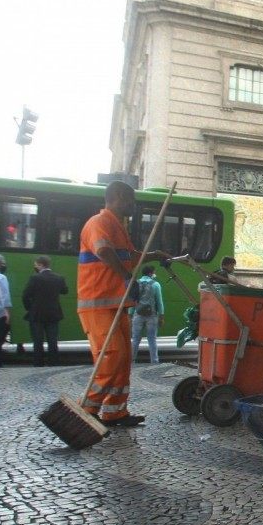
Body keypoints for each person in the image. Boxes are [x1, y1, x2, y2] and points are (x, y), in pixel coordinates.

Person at [77, 181, 169, 427]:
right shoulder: (99, 223)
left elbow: (131, 256)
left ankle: (115, 411)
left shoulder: (118, 227)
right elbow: (104, 251)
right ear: (117, 197)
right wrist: (126, 276)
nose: (133, 205)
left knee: (123, 358)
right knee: (112, 355)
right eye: (131, 199)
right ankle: (87, 408)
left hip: (116, 304)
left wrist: (154, 255)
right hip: (97, 304)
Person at [22, 255, 68, 366]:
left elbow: (25, 295)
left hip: (37, 313)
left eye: (36, 264)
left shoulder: (35, 278)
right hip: (53, 313)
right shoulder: (59, 278)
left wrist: (30, 307)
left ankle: (38, 363)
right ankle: (53, 362)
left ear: (40, 264)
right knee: (52, 340)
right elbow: (65, 291)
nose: (35, 266)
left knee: (38, 340)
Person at [130, 264, 165, 364]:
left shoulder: (136, 284)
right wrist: (161, 316)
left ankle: (132, 361)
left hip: (138, 315)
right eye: (154, 272)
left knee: (135, 339)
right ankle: (154, 361)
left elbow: (133, 301)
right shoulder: (156, 284)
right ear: (151, 273)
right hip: (152, 315)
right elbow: (159, 302)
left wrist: (130, 314)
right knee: (152, 339)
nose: (155, 274)